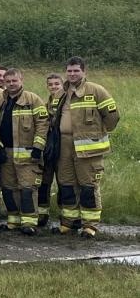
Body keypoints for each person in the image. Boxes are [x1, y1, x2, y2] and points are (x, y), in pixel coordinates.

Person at [55, 57, 119, 237]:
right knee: (67, 184)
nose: (72, 74)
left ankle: (89, 226)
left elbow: (112, 116)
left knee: (88, 186)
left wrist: (97, 133)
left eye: (76, 70)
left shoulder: (96, 90)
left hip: (89, 147)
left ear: (84, 71)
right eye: (69, 71)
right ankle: (69, 223)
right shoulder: (61, 93)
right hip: (64, 145)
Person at [0, 68, 49, 236]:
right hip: (7, 154)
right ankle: (13, 221)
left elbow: (42, 124)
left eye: (15, 81)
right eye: (8, 81)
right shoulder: (1, 101)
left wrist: (38, 147)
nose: (11, 84)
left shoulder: (33, 100)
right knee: (8, 188)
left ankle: (28, 222)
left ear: (21, 80)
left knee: (27, 189)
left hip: (28, 155)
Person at [38, 72, 64, 228]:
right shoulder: (45, 104)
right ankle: (42, 215)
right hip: (48, 150)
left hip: (63, 150)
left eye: (57, 84)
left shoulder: (67, 102)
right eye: (50, 84)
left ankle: (67, 216)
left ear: (63, 85)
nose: (54, 87)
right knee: (44, 182)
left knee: (64, 183)